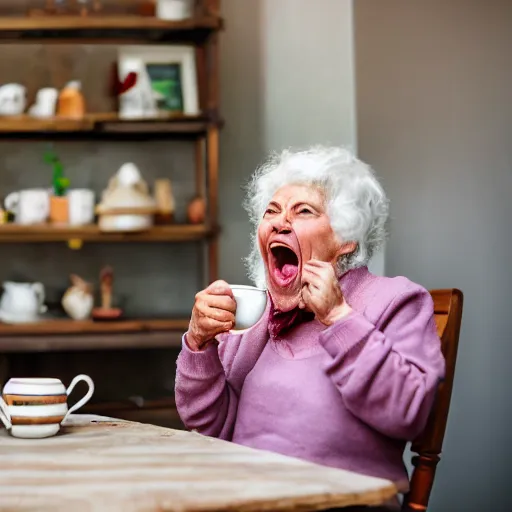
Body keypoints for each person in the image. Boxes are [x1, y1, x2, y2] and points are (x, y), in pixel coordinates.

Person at [175, 146, 445, 492]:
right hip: (245, 497)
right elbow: (209, 426)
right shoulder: (257, 313)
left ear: (346, 238)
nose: (279, 222)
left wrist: (338, 317)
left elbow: (408, 413)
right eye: (271, 211)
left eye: (303, 211)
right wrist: (199, 343)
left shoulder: (395, 300)